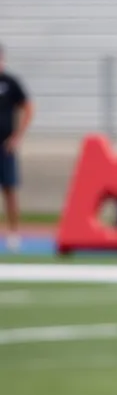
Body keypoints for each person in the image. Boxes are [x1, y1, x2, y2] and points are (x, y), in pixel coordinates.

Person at [0, 44, 33, 251]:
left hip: (5, 147)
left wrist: (17, 137)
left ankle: (13, 234)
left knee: (10, 189)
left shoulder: (10, 83)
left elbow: (28, 107)